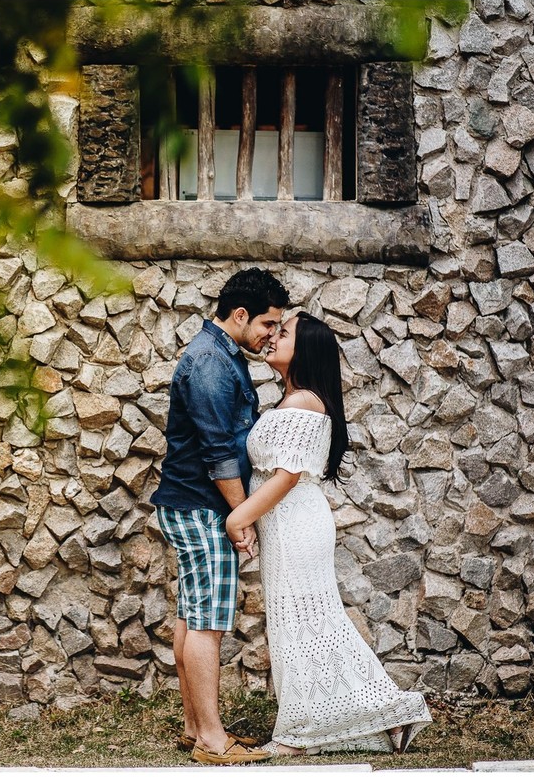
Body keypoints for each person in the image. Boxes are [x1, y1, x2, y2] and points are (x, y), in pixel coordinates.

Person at [224, 313, 433, 756]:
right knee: (303, 624)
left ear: (306, 350)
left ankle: (302, 733)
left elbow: (285, 477)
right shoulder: (295, 399)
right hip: (286, 524)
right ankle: (380, 717)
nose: (273, 338)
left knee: (305, 624)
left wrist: (235, 519)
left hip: (295, 523)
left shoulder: (303, 401)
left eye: (284, 333)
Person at [151, 268, 289, 765]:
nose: (272, 335)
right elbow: (218, 455)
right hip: (202, 506)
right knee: (207, 624)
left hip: (191, 504)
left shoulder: (217, 354)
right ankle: (212, 738)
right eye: (268, 324)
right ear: (239, 315)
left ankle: (195, 728)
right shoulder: (210, 362)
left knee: (192, 618)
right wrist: (241, 515)